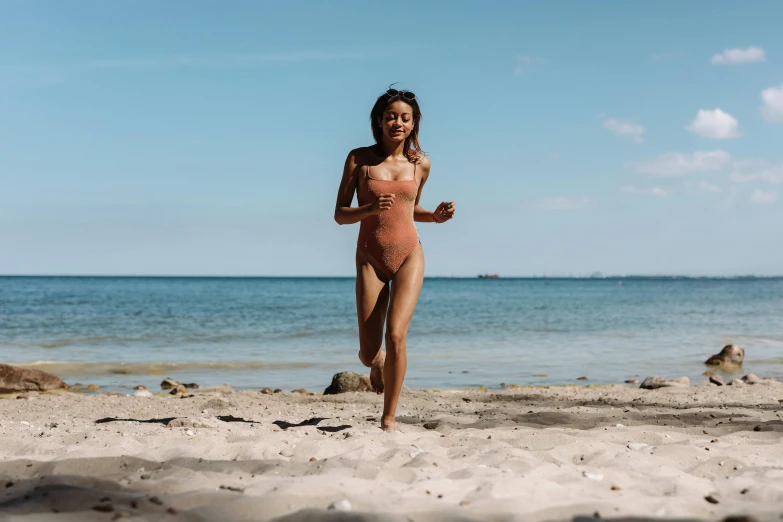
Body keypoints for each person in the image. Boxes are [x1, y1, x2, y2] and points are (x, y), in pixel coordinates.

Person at [333, 86, 456, 431]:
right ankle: (378, 364)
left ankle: (388, 419)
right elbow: (340, 215)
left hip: (408, 254)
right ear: (378, 120)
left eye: (405, 117)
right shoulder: (359, 159)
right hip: (370, 258)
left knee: (397, 335)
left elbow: (408, 210)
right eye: (390, 116)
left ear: (414, 123)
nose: (397, 122)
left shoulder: (421, 165)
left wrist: (436, 217)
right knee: (368, 353)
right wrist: (369, 209)